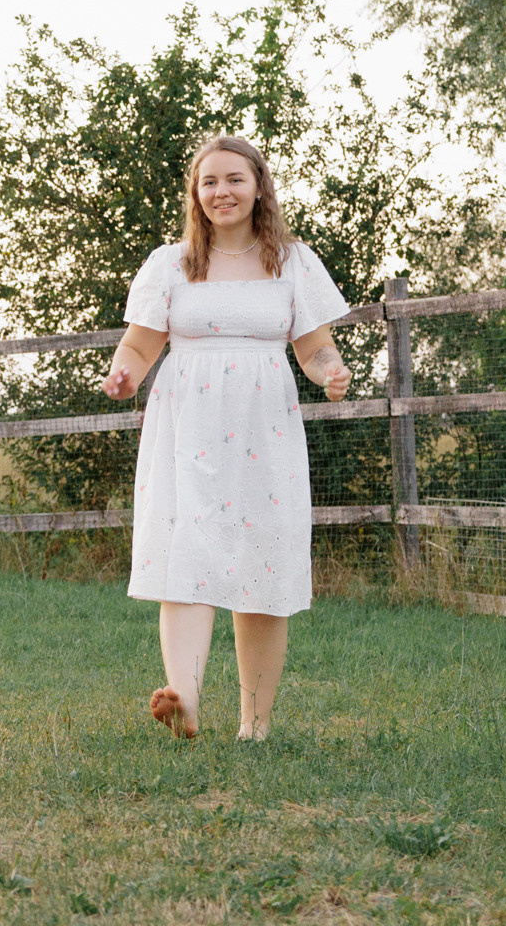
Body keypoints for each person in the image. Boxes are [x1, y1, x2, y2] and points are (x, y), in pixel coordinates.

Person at [100, 133, 351, 743]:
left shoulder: (292, 260)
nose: (222, 191)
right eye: (208, 182)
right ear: (196, 194)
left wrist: (331, 371)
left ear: (259, 184)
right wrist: (124, 372)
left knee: (263, 564)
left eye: (234, 179)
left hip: (264, 428)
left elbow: (314, 346)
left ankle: (254, 725)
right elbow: (139, 343)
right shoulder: (170, 262)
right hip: (187, 426)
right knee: (188, 553)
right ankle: (183, 695)